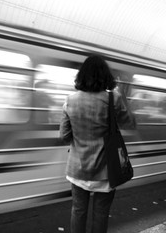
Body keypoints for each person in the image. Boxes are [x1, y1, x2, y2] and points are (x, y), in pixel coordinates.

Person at [59, 54, 136, 233]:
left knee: (78, 211)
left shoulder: (70, 100)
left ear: (82, 76)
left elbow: (64, 135)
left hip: (78, 170)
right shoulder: (113, 99)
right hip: (106, 171)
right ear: (105, 76)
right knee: (101, 213)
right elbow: (129, 123)